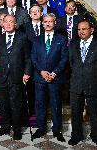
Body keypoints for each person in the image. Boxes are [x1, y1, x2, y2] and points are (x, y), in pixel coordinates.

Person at [68, 19, 97, 148]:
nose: (81, 31)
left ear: (91, 30)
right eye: (79, 29)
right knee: (76, 112)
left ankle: (96, 136)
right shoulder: (73, 44)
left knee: (95, 113)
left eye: (84, 29)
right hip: (76, 84)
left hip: (94, 84)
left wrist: (92, 76)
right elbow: (72, 64)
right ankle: (76, 135)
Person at [0, 15, 31, 140]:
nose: (8, 24)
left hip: (17, 77)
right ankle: (5, 127)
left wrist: (27, 73)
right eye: (5, 21)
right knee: (3, 104)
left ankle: (17, 129)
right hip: (1, 77)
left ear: (15, 24)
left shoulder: (22, 37)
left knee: (16, 105)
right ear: (2, 24)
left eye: (11, 22)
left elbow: (28, 58)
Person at [31, 13, 68, 142]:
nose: (47, 23)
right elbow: (33, 58)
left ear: (55, 23)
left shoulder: (61, 39)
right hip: (40, 78)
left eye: (50, 21)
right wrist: (41, 71)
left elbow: (64, 58)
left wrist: (54, 73)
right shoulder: (36, 39)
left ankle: (57, 130)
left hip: (55, 78)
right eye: (45, 21)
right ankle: (41, 128)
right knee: (40, 104)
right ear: (42, 23)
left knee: (56, 104)